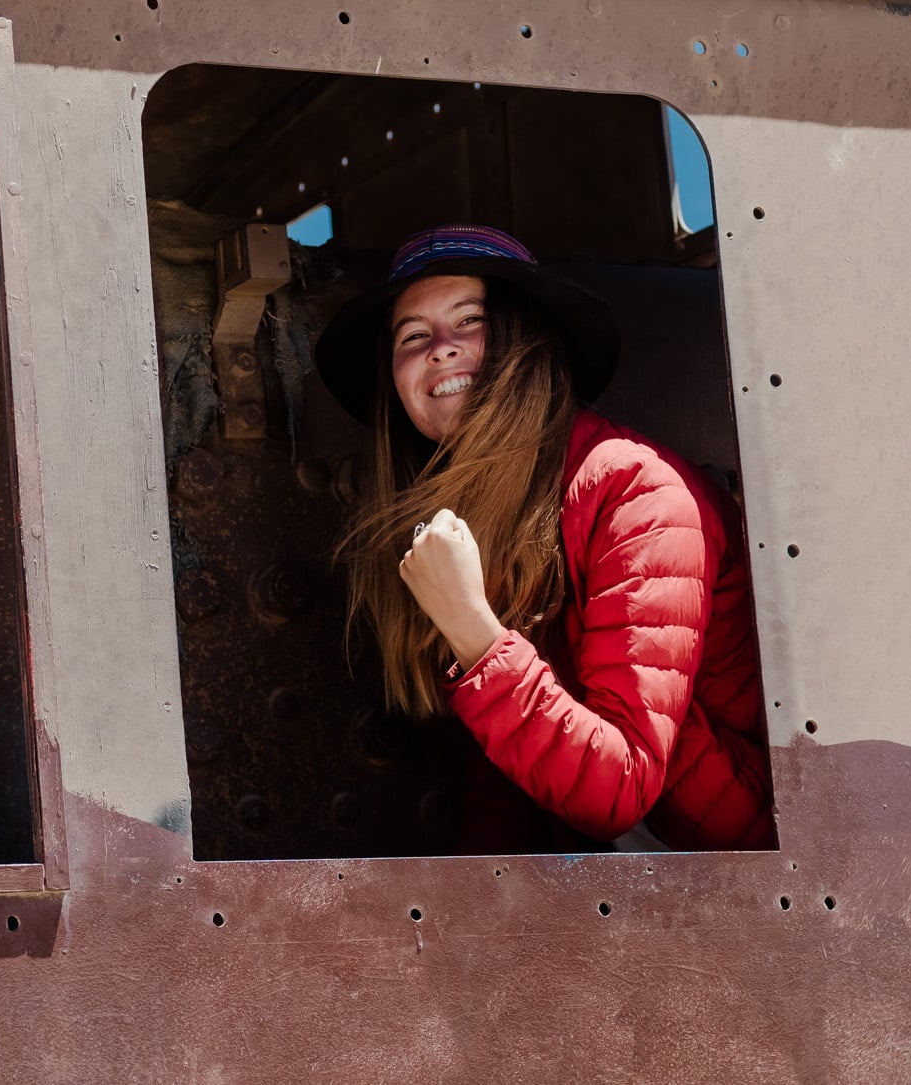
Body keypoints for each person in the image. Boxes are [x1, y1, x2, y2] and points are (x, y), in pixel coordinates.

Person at [315, 225, 774, 851]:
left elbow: (622, 787)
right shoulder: (484, 516)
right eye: (413, 336)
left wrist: (474, 631)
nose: (441, 349)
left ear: (525, 343)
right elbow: (508, 770)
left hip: (731, 859)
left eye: (470, 321)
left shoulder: (639, 491)